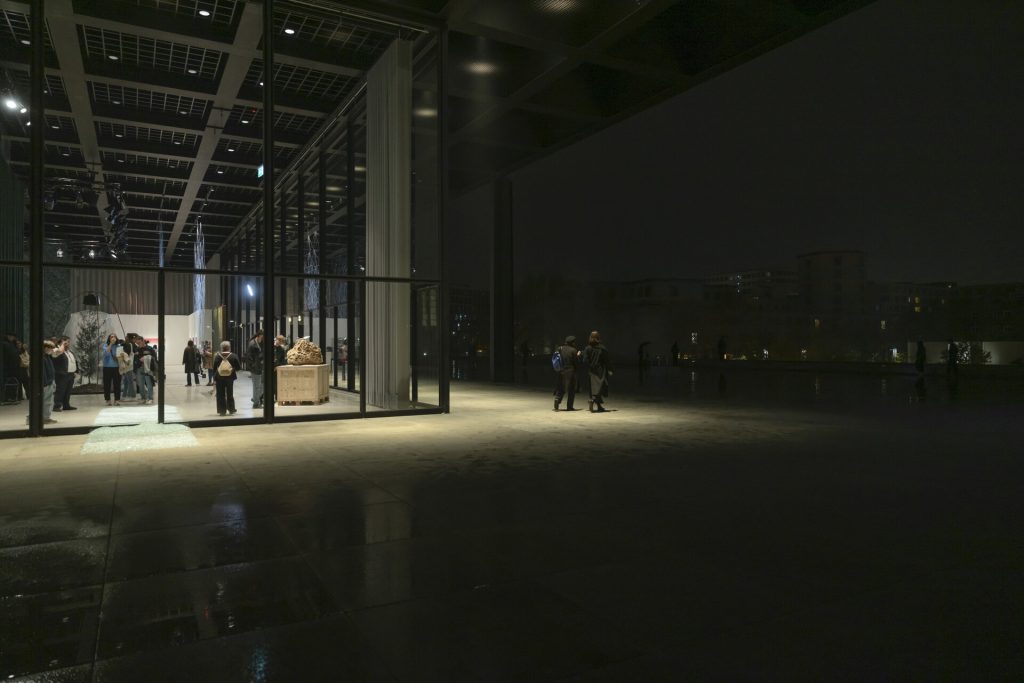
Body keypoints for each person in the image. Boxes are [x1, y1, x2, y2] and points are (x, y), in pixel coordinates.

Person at [581, 330, 612, 413]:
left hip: (591, 371)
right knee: (600, 388)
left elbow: (585, 361)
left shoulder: (587, 348)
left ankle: (598, 406)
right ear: (598, 338)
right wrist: (610, 370)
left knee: (594, 388)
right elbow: (606, 360)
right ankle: (593, 400)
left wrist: (590, 366)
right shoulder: (602, 348)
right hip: (600, 371)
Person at [28, 339, 58, 425]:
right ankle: (44, 418)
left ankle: (35, 418)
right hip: (45, 383)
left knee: (43, 401)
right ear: (45, 348)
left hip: (48, 382)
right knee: (45, 402)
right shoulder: (40, 358)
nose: (52, 350)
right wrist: (45, 383)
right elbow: (41, 372)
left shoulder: (46, 357)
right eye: (50, 348)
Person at [213, 340, 241, 415]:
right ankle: (231, 409)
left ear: (221, 348)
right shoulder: (233, 356)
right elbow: (238, 368)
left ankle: (222, 411)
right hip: (230, 377)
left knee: (220, 394)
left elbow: (214, 368)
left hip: (219, 377)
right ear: (229, 347)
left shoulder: (217, 356)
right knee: (230, 393)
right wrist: (232, 369)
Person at [552, 335, 579, 411]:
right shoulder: (573, 350)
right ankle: (569, 406)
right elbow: (576, 362)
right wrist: (578, 356)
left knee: (561, 387)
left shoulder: (560, 348)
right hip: (570, 372)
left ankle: (557, 399)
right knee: (571, 389)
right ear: (572, 342)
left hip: (561, 371)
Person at [51, 336, 78, 412]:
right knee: (60, 390)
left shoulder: (69, 352)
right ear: (61, 342)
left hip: (70, 374)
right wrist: (62, 345)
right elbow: (57, 354)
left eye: (68, 342)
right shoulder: (56, 350)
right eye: (66, 342)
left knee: (68, 390)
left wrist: (75, 371)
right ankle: (57, 406)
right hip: (62, 374)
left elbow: (74, 362)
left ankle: (66, 405)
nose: (68, 344)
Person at [246, 330, 265, 409]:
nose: (263, 338)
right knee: (257, 386)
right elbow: (250, 357)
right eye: (262, 337)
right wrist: (253, 366)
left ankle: (255, 398)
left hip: (257, 367)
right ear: (259, 336)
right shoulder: (253, 344)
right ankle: (256, 403)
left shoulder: (255, 343)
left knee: (260, 385)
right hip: (256, 368)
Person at [101, 333, 122, 406]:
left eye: (114, 337)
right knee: (107, 384)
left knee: (117, 384)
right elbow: (106, 354)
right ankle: (108, 399)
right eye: (111, 337)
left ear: (116, 338)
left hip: (117, 368)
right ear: (109, 339)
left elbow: (120, 358)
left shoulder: (119, 346)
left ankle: (117, 400)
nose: (113, 338)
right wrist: (110, 344)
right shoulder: (105, 346)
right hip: (107, 368)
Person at [135, 337, 155, 405]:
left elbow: (154, 358)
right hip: (139, 368)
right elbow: (135, 359)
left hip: (148, 369)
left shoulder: (150, 349)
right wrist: (139, 361)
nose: (138, 344)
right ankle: (143, 398)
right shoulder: (137, 349)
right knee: (141, 384)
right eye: (137, 343)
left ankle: (150, 398)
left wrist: (146, 358)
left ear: (143, 341)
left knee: (149, 383)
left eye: (139, 343)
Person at [119, 334, 136, 400]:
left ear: (128, 338)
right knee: (126, 380)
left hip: (127, 365)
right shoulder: (131, 345)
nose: (125, 337)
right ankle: (124, 395)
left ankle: (132, 395)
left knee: (129, 380)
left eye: (126, 336)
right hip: (129, 365)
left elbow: (126, 355)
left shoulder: (127, 345)